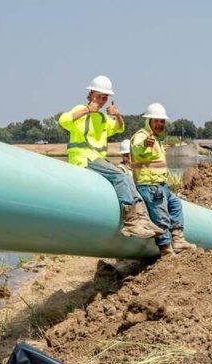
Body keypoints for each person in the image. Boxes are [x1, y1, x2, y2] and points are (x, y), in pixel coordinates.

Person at [58, 75, 160, 238]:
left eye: (105, 98)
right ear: (91, 94)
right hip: (83, 158)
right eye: (99, 96)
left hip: (97, 159)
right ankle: (131, 222)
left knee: (127, 179)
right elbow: (63, 121)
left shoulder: (103, 118)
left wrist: (117, 115)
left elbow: (119, 128)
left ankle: (143, 218)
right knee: (120, 176)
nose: (102, 100)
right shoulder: (81, 110)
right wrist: (87, 110)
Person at [131, 103, 198, 256]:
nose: (160, 124)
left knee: (176, 205)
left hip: (161, 185)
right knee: (161, 217)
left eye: (162, 121)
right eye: (156, 121)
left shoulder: (158, 140)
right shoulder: (142, 136)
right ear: (149, 121)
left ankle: (178, 240)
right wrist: (144, 145)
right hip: (150, 185)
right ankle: (166, 249)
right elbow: (138, 148)